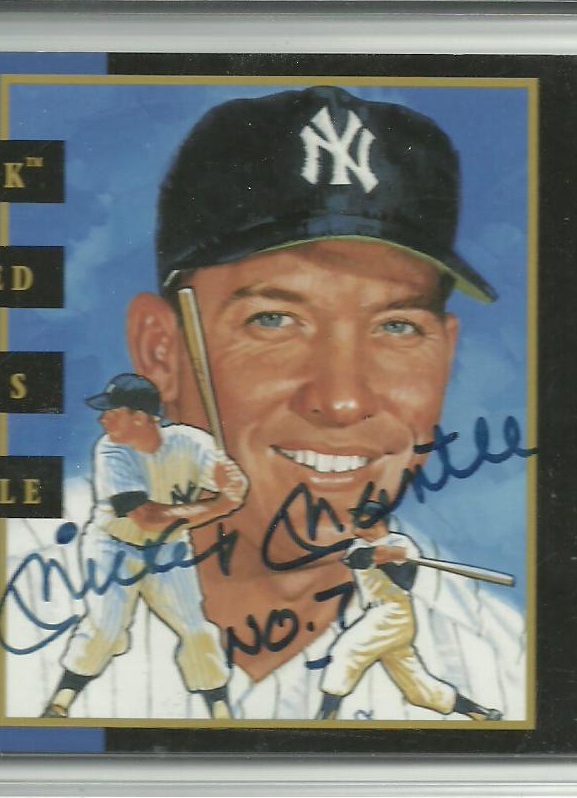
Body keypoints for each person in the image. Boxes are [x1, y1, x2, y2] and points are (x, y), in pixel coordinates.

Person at [119, 85, 525, 717]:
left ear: (445, 356)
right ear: (161, 351)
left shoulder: (510, 665)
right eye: (274, 320)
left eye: (397, 326)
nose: (341, 401)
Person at [41, 373, 250, 719]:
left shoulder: (191, 442)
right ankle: (61, 700)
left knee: (196, 630)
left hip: (168, 549)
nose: (103, 419)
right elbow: (147, 517)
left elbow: (228, 484)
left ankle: (219, 708)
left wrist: (234, 484)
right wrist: (220, 506)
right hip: (113, 546)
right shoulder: (111, 450)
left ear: (140, 417)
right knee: (106, 628)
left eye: (113, 411)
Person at [315, 502, 501, 721]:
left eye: (362, 523)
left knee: (347, 651)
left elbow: (405, 582)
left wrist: (393, 558)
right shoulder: (358, 545)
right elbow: (358, 558)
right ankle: (480, 713)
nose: (356, 529)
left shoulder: (402, 543)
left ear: (378, 523)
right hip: (377, 614)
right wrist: (382, 555)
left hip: (394, 613)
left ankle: (325, 719)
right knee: (418, 688)